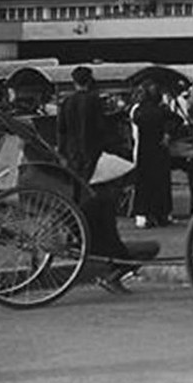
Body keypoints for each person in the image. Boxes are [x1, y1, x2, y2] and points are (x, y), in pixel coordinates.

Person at [57, 65, 160, 294]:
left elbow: (61, 132)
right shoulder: (93, 101)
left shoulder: (67, 103)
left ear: (74, 82)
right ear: (90, 81)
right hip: (94, 157)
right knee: (100, 203)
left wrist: (66, 155)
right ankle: (115, 266)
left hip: (75, 160)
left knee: (82, 196)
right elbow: (100, 129)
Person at [130, 81, 174, 228]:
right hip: (160, 151)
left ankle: (143, 215)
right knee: (161, 184)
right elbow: (177, 120)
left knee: (143, 184)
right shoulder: (162, 111)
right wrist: (167, 133)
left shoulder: (139, 111)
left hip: (143, 150)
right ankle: (161, 214)